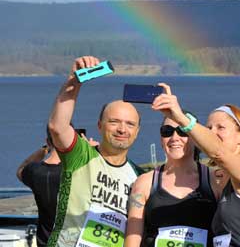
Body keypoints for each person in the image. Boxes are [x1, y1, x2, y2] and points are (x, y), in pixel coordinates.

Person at [151, 83, 240, 247]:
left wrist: (180, 118)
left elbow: (218, 153)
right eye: (208, 128)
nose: (212, 133)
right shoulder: (219, 179)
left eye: (220, 127)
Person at [47, 56, 144, 247]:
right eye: (114, 122)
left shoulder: (140, 178)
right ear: (100, 126)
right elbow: (57, 127)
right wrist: (74, 82)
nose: (122, 130)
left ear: (137, 132)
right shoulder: (81, 155)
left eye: (130, 124)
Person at [125, 105, 218, 247]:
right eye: (167, 131)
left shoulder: (214, 180)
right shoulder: (145, 182)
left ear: (196, 138)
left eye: (182, 131)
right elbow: (132, 240)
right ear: (161, 140)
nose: (174, 138)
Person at [17, 126, 61, 247]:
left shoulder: (35, 171)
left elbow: (21, 169)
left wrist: (44, 150)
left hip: (45, 242)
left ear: (48, 141)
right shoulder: (78, 171)